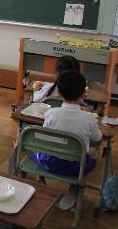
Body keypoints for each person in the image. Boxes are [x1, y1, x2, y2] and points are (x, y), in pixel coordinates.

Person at [31, 69, 102, 210]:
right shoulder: (88, 118)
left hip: (50, 162)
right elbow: (98, 138)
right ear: (84, 94)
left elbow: (45, 136)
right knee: (90, 158)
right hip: (76, 167)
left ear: (60, 93)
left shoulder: (51, 113)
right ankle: (74, 188)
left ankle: (41, 180)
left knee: (38, 151)